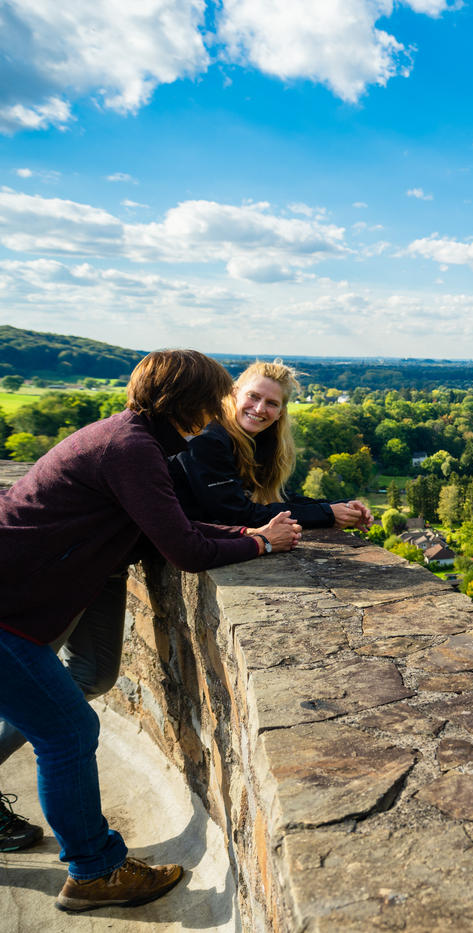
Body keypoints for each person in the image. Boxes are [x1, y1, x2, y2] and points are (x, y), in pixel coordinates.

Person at [0, 349, 301, 912]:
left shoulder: (134, 440)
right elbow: (185, 549)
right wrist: (260, 542)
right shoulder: (131, 449)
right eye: (212, 399)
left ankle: (93, 866)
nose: (219, 410)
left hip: (16, 599)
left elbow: (168, 522)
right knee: (67, 734)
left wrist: (247, 527)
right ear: (187, 401)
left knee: (75, 696)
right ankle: (95, 873)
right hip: (7, 609)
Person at [171, 360, 371, 532]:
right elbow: (235, 513)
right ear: (234, 394)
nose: (259, 408)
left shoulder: (256, 441)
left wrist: (339, 508)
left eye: (272, 403)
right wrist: (327, 514)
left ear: (281, 413)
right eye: (254, 396)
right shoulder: (208, 439)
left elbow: (277, 498)